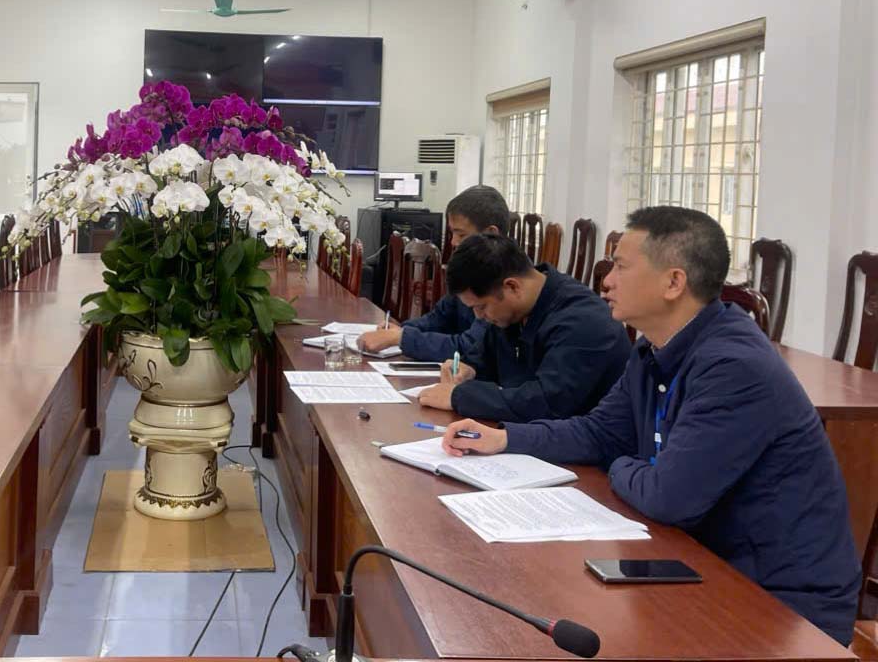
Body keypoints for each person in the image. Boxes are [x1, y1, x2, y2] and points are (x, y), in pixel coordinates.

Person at [440, 207, 860, 646]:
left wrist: (622, 463)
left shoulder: (734, 368)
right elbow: (599, 432)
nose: (606, 280)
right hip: (703, 562)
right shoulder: (654, 349)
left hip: (783, 608)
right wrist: (506, 438)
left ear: (673, 282)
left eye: (621, 267)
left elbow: (667, 497)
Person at [416, 232, 631, 422]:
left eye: (481, 307)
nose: (479, 316)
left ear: (512, 287)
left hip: (583, 457)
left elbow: (546, 403)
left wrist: (459, 397)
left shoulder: (583, 321)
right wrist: (468, 369)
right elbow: (482, 358)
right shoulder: (511, 311)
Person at [356, 186, 508, 360]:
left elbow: (471, 346)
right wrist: (401, 328)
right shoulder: (468, 269)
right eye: (452, 234)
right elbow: (438, 318)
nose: (453, 243)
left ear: (491, 233)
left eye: (461, 235)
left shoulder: (502, 281)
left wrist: (402, 338)